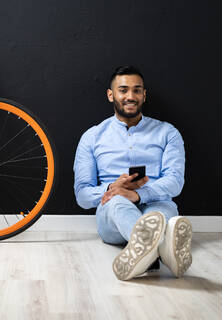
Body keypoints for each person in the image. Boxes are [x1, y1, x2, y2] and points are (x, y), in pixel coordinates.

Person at [73, 65, 192, 280]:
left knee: (159, 215)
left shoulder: (168, 132)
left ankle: (146, 254)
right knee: (119, 202)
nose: (131, 96)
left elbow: (175, 182)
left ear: (144, 95)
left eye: (137, 90)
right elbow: (82, 195)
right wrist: (113, 188)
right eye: (123, 90)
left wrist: (138, 194)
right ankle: (165, 250)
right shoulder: (91, 137)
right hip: (112, 212)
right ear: (111, 95)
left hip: (157, 205)